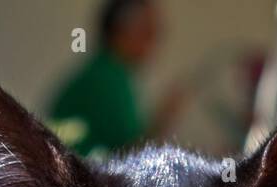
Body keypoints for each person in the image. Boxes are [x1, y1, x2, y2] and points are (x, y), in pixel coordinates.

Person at [49, 0, 185, 156]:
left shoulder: (103, 71)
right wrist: (163, 119)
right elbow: (130, 154)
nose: (155, 42)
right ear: (123, 30)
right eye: (148, 31)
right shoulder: (108, 79)